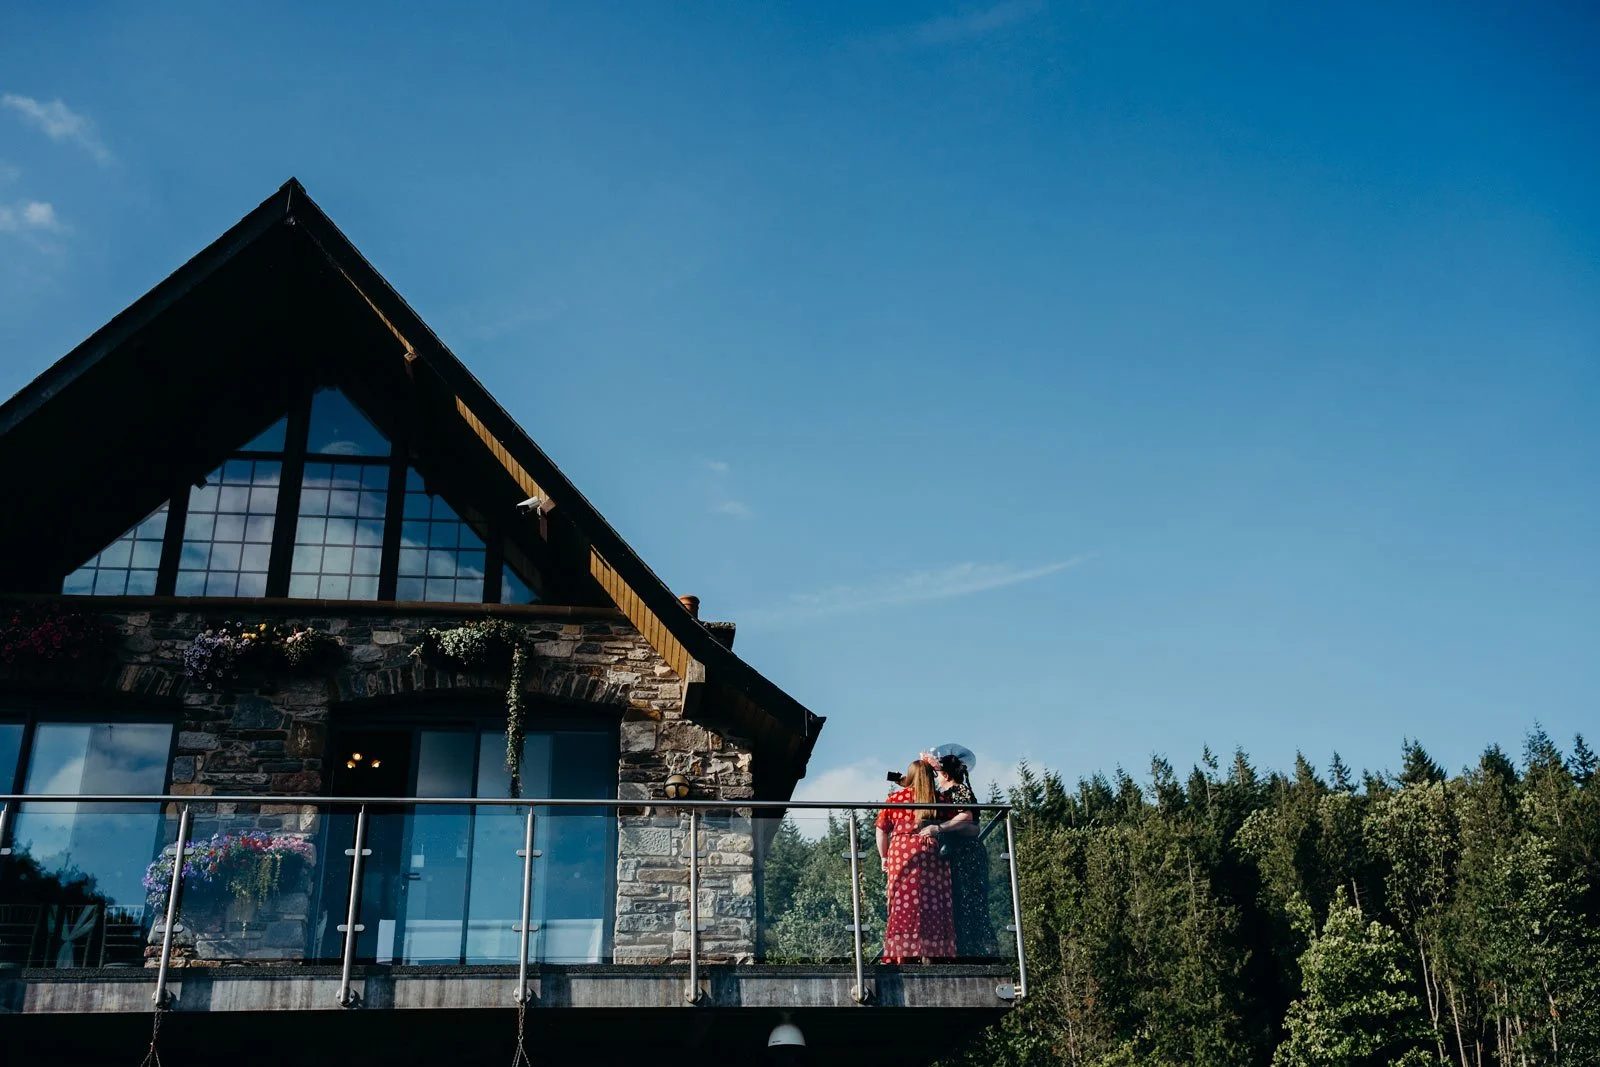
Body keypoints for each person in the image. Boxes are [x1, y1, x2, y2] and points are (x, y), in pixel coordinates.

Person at [875, 760, 956, 963]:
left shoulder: (895, 799)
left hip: (903, 854)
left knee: (902, 903)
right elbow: (960, 819)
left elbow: (881, 829)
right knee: (933, 902)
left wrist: (884, 857)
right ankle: (934, 951)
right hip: (931, 851)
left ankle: (902, 955)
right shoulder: (940, 799)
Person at [922, 751, 999, 958]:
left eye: (938, 775)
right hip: (958, 854)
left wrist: (939, 828)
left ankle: (978, 953)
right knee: (961, 904)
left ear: (946, 775)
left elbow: (967, 818)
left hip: (965, 855)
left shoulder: (958, 790)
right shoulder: (953, 792)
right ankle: (969, 951)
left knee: (969, 903)